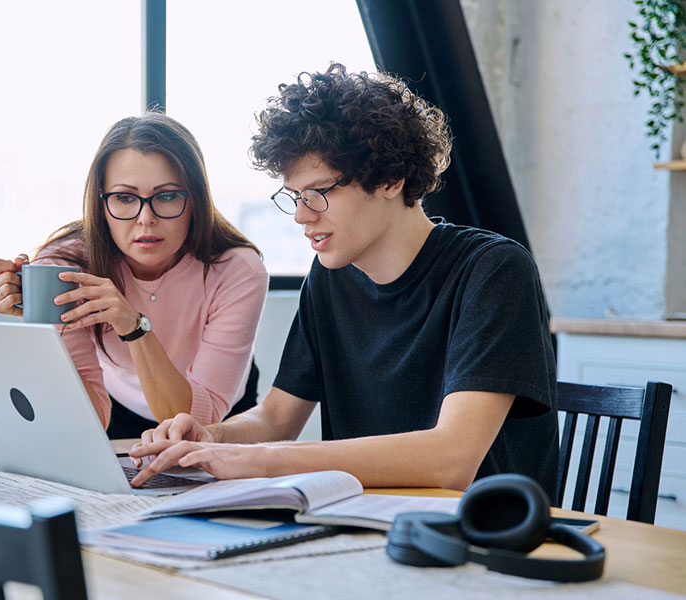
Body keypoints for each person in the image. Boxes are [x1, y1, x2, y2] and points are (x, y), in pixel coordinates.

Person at [130, 63, 560, 500]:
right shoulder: (331, 279)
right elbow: (277, 418)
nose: (301, 215)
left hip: (484, 535)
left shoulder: (493, 271)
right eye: (295, 197)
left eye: (320, 191)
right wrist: (211, 439)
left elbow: (451, 459)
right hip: (367, 523)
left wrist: (259, 460)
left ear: (392, 177)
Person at [0, 113, 268, 438]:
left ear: (196, 200)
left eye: (166, 196)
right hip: (116, 406)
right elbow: (84, 420)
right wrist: (43, 321)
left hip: (215, 411)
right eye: (124, 198)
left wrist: (133, 326)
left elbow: (196, 419)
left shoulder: (237, 270)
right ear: (101, 203)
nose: (146, 219)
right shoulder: (66, 264)